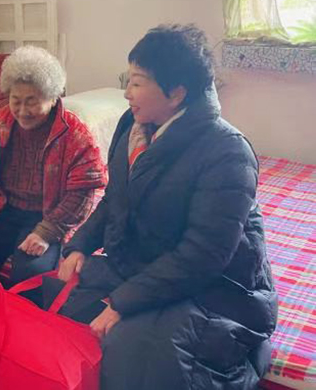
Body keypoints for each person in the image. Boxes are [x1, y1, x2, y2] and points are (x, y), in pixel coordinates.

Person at [56, 24, 277, 390]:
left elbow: (204, 255)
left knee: (139, 353)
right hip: (149, 263)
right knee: (71, 310)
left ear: (176, 93)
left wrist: (124, 302)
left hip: (218, 287)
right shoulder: (132, 125)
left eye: (137, 82)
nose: (126, 93)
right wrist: (79, 244)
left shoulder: (227, 152)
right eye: (128, 80)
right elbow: (116, 198)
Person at [0, 45, 107, 285]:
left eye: (32, 102)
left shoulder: (75, 134)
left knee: (32, 273)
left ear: (53, 98)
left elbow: (83, 194)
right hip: (5, 208)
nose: (22, 111)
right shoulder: (1, 122)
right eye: (16, 101)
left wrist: (46, 232)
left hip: (50, 213)